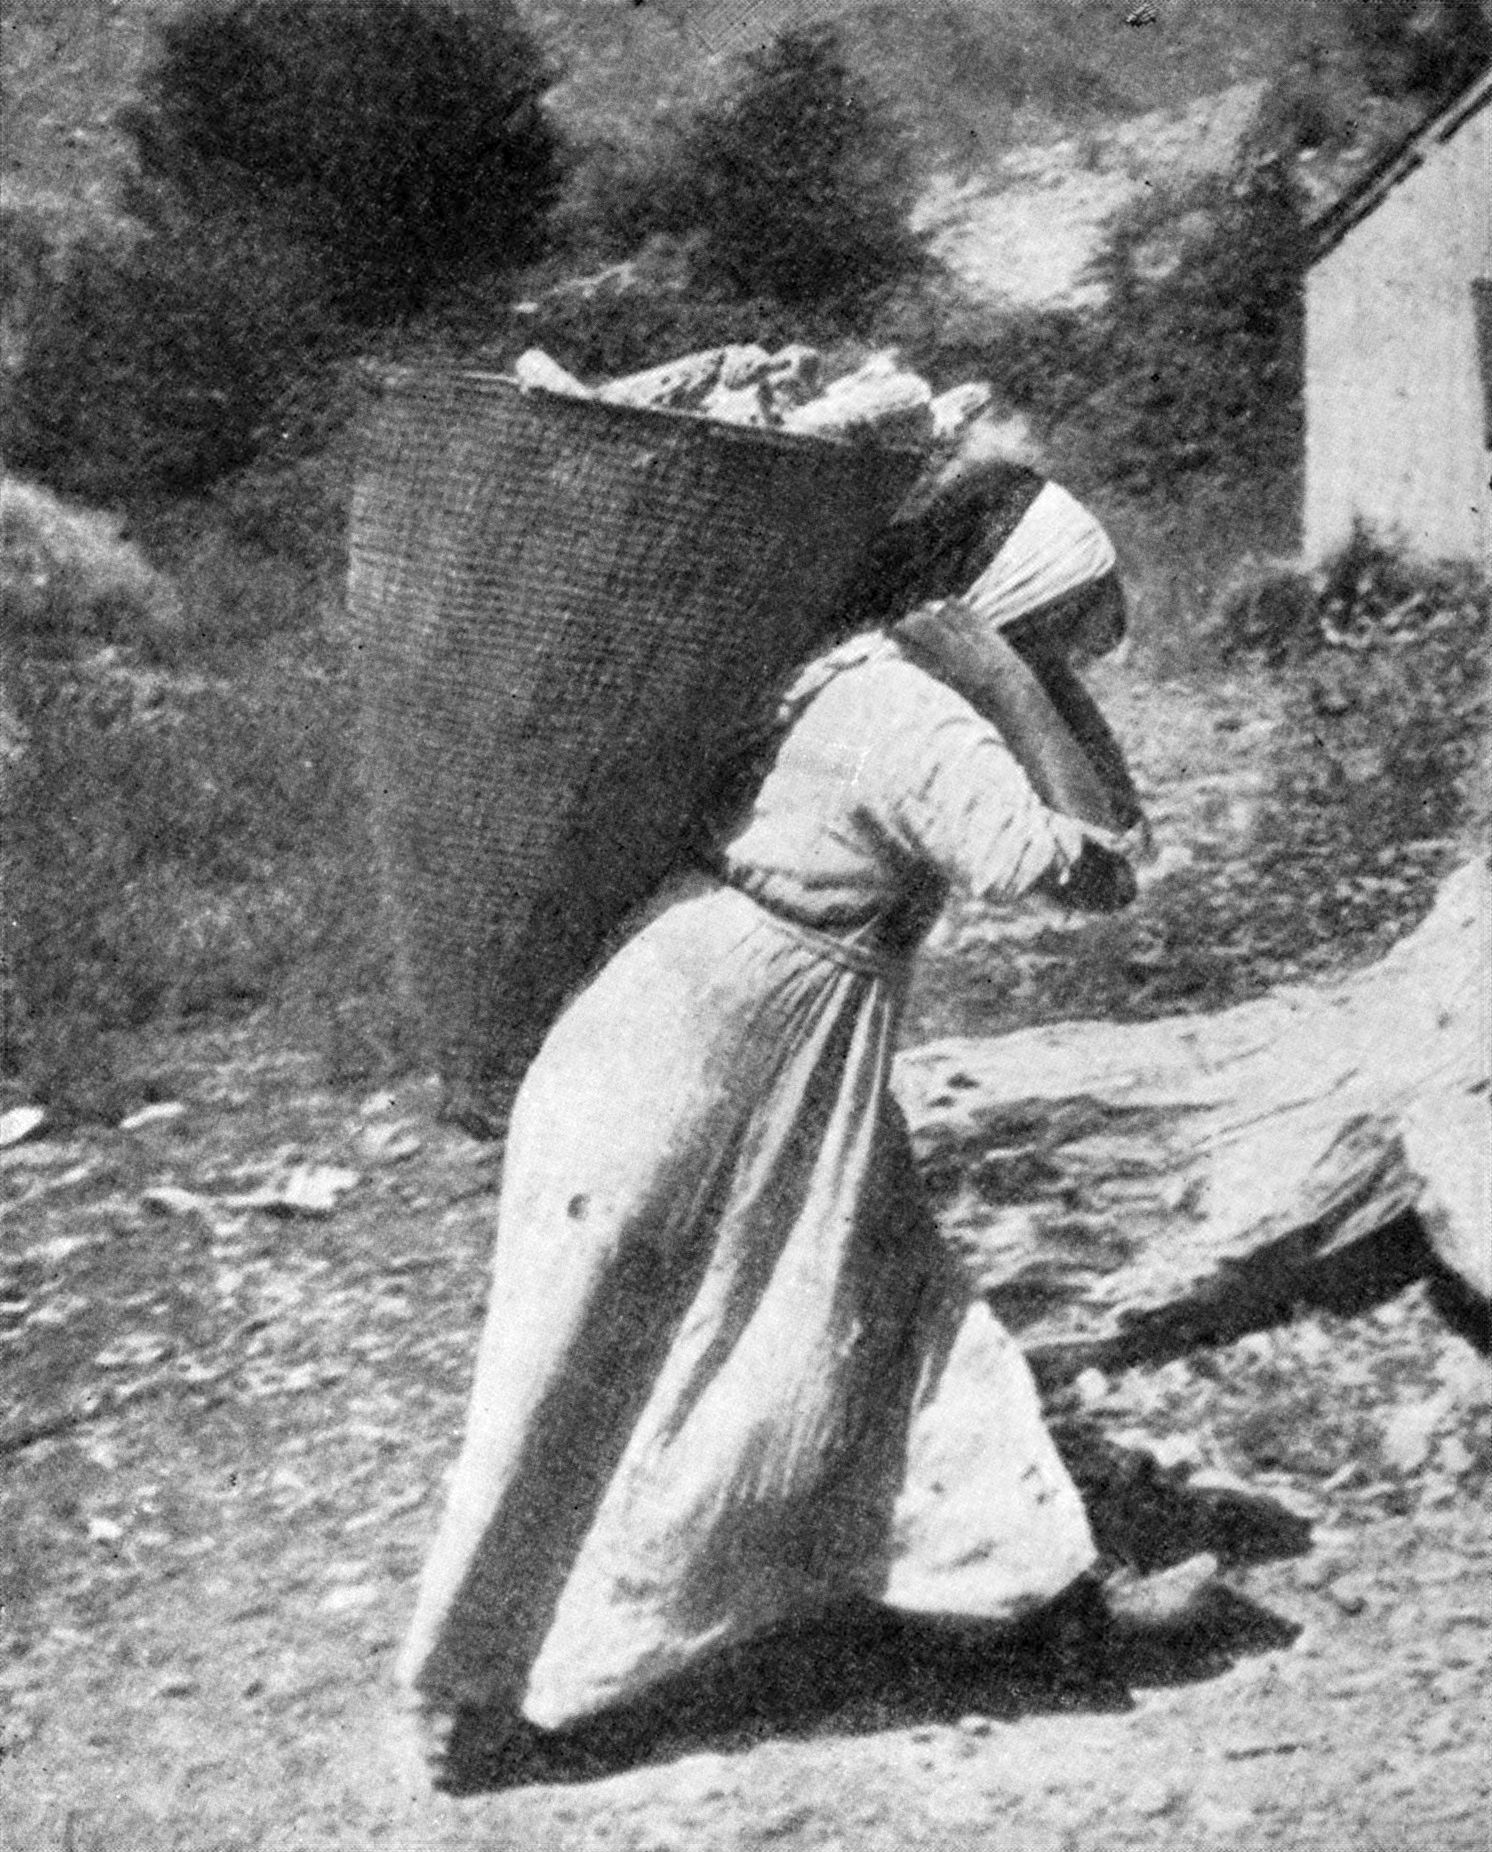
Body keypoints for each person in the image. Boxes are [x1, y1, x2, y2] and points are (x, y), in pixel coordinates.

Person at [392, 477, 1142, 1790]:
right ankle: (462, 1701)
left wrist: (1018, 679)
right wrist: (1008, 683)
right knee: (575, 1365)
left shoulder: (877, 680)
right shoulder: (903, 710)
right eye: (1053, 637)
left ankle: (1037, 1600)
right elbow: (1075, 870)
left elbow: (1109, 845)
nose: (1065, 670)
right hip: (684, 1062)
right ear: (995, 617)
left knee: (902, 1309)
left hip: (764, 1044)